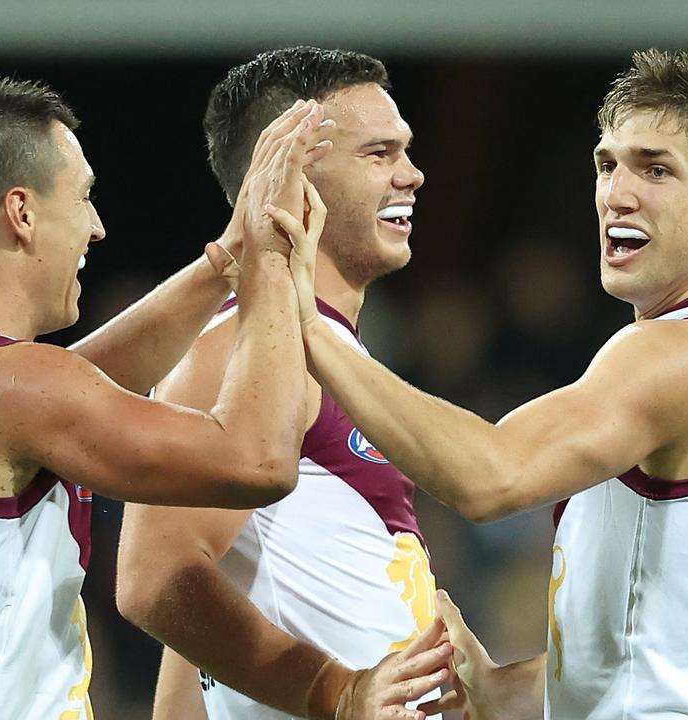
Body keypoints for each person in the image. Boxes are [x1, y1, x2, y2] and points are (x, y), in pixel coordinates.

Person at [291, 49, 688, 719]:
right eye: (607, 164)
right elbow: (683, 657)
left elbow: (490, 477)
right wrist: (502, 687)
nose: (616, 194)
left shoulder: (676, 352)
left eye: (656, 169)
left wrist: (310, 326)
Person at [0, 70, 334, 719]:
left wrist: (225, 258)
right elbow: (256, 462)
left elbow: (77, 382)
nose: (96, 227)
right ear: (22, 212)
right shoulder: (12, 388)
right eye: (83, 196)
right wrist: (274, 268)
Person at [116, 47, 447, 720]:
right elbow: (156, 581)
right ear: (295, 173)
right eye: (378, 154)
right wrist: (332, 692)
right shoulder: (235, 353)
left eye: (404, 151)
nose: (411, 175)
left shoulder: (318, 346)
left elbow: (199, 621)